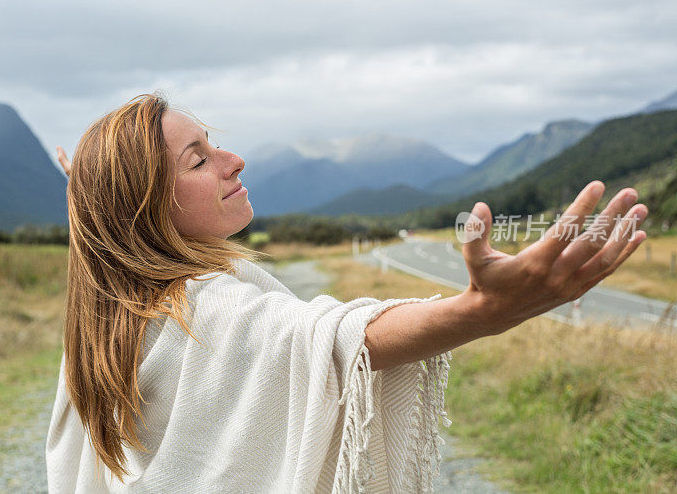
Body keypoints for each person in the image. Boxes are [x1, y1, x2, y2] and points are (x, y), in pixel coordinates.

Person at [47, 93, 648, 493]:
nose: (235, 161)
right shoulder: (203, 310)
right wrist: (483, 310)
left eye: (214, 144)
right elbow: (332, 339)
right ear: (146, 204)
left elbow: (116, 236)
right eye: (198, 159)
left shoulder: (110, 316)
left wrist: (91, 193)